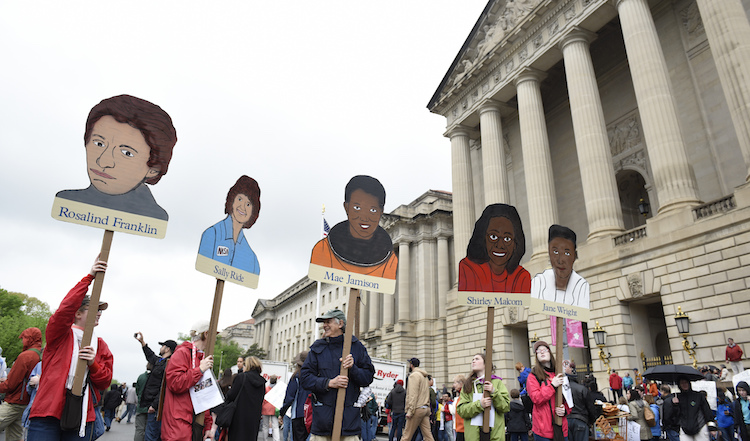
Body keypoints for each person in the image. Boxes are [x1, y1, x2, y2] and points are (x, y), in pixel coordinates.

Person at [27, 257, 114, 439]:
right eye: (93, 308)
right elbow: (64, 310)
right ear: (78, 312)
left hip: (80, 415)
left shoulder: (100, 344)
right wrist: (88, 278)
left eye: (101, 310)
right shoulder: (60, 334)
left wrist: (93, 364)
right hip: (47, 412)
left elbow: (105, 381)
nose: (99, 312)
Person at [55, 95, 177, 220]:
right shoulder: (67, 202)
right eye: (99, 144)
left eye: (126, 153)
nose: (103, 162)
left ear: (153, 169)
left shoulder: (152, 219)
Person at [300, 309, 375, 441]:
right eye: (324, 322)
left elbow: (367, 378)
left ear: (340, 324)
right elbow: (305, 379)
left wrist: (353, 368)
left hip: (348, 423)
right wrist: (329, 383)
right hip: (323, 422)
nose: (325, 325)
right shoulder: (318, 348)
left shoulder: (356, 346)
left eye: (328, 322)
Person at [309, 175, 398, 279]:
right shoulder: (322, 249)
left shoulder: (390, 260)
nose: (364, 218)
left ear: (381, 212)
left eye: (373, 210)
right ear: (346, 207)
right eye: (357, 208)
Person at [458, 203, 531, 293]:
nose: (500, 245)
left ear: (515, 244)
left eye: (507, 239)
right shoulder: (469, 268)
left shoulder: (522, 276)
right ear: (483, 238)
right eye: (493, 237)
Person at [161, 320, 215, 441]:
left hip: (191, 424)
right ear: (206, 334)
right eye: (214, 335)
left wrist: (207, 425)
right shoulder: (182, 353)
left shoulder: (201, 358)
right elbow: (175, 383)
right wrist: (199, 370)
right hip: (178, 426)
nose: (216, 339)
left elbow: (203, 394)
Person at [198, 175, 261, 274]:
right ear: (232, 199)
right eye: (240, 199)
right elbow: (202, 264)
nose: (243, 207)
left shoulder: (251, 258)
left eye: (248, 204)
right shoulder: (211, 235)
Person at [530, 225, 590, 309]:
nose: (560, 260)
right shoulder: (538, 284)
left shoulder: (581, 287)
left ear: (575, 256)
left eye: (566, 253)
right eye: (555, 252)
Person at [0, 327, 42, 441]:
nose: (22, 341)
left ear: (29, 338)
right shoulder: (41, 354)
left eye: (23, 338)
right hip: (28, 403)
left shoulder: (26, 356)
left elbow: (11, 384)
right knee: (15, 437)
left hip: (15, 403)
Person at [456, 353, 510, 441]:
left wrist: (494, 392)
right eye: (473, 359)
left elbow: (506, 407)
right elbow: (461, 410)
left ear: (486, 363)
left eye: (477, 359)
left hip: (494, 435)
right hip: (474, 436)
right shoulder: (468, 385)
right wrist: (479, 405)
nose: (473, 361)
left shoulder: (497, 382)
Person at [134, 332, 177, 441]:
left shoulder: (169, 364)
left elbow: (164, 387)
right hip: (151, 404)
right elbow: (150, 355)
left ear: (167, 349)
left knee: (151, 436)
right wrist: (143, 343)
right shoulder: (160, 361)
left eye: (162, 346)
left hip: (156, 407)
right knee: (152, 434)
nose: (161, 348)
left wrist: (155, 405)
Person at [527, 341, 570, 441]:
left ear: (550, 353)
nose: (542, 352)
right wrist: (552, 386)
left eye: (545, 350)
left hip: (561, 427)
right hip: (542, 431)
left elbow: (568, 399)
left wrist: (565, 410)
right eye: (538, 351)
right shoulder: (533, 376)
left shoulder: (559, 374)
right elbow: (536, 398)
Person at [223, 356, 266, 441]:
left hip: (239, 415)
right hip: (254, 418)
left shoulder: (241, 377)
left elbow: (231, 395)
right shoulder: (262, 382)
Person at [280, 351, 311, 441]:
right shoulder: (315, 376)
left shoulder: (296, 377)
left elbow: (289, 398)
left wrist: (282, 413)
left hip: (298, 413)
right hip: (312, 414)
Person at [564, 360, 597, 441]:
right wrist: (592, 420)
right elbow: (590, 407)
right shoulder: (582, 389)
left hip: (566, 421)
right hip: (581, 420)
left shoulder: (562, 390)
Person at [672, 376, 714, 441]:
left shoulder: (698, 396)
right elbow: (676, 415)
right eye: (682, 383)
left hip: (700, 427)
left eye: (686, 382)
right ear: (679, 385)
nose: (684, 385)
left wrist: (712, 427)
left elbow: (707, 411)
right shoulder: (678, 398)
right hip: (684, 428)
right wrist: (675, 405)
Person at [402, 357, 434, 441]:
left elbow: (413, 394)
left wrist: (410, 410)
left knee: (406, 436)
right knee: (428, 437)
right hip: (425, 408)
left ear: (411, 365)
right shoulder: (424, 377)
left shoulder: (414, 376)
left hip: (417, 408)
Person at [134, 364, 151, 441]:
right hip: (151, 407)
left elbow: (137, 391)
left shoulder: (141, 377)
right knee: (149, 430)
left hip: (141, 406)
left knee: (139, 430)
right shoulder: (155, 377)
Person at [262, 376, 281, 441]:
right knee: (275, 426)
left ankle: (265, 439)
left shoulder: (266, 389)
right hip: (274, 408)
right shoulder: (278, 389)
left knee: (265, 425)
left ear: (270, 381)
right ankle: (276, 439)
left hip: (265, 408)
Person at [451, 376, 466, 441]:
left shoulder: (464, 395)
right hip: (460, 427)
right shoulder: (461, 395)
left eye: (455, 383)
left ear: (461, 384)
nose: (453, 385)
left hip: (463, 427)